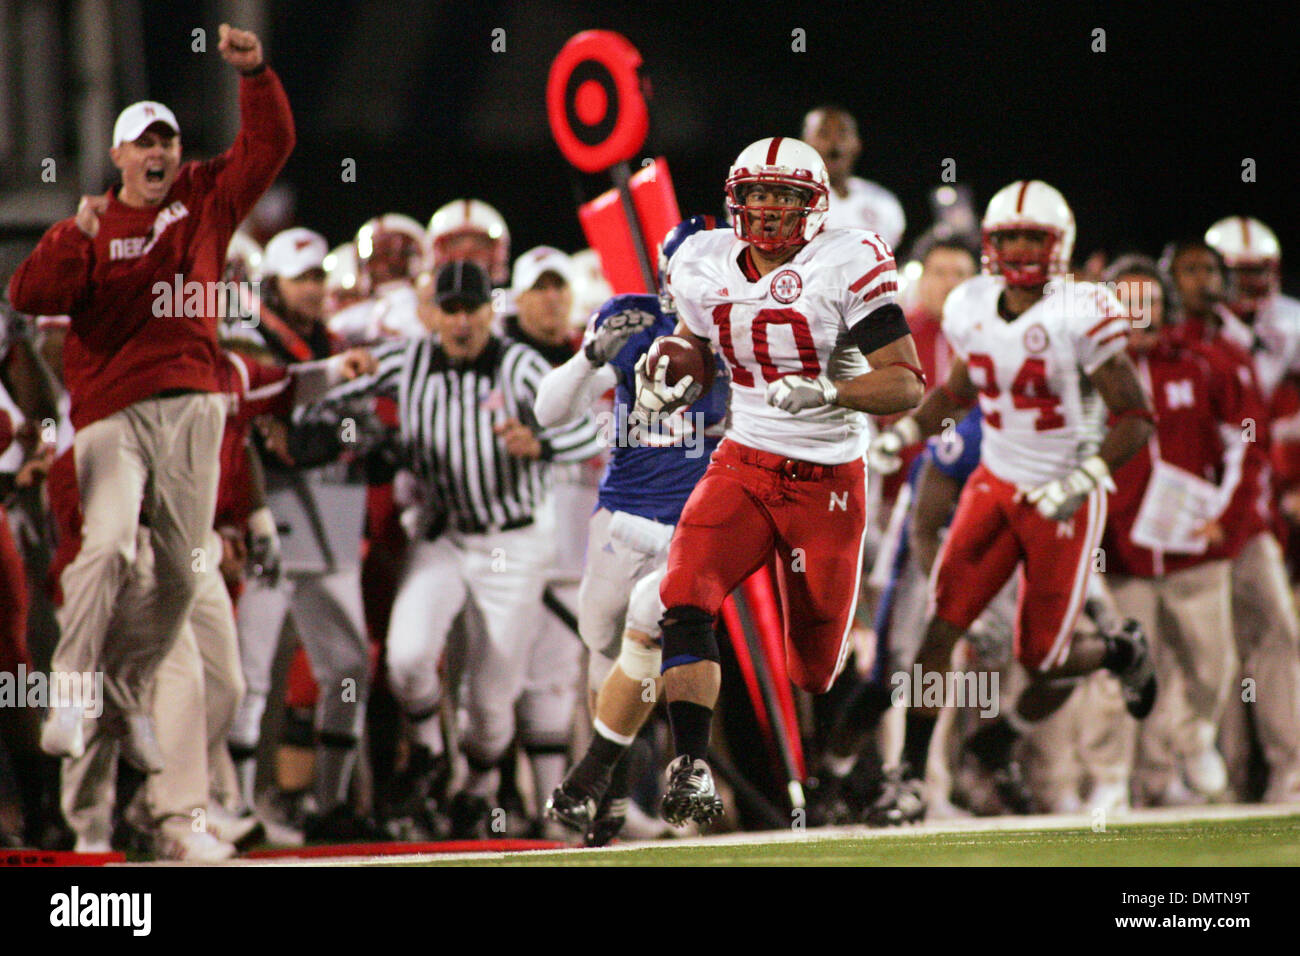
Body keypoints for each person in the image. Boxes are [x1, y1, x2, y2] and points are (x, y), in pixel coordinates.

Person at [6, 24, 294, 765]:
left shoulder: (203, 197)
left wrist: (256, 75)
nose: (160, 152)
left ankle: (122, 696)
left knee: (180, 572)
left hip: (195, 403)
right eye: (145, 142)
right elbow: (26, 292)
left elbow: (271, 148)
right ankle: (71, 695)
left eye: (167, 140)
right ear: (119, 156)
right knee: (103, 547)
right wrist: (73, 235)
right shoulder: (92, 226)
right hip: (112, 414)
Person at [634, 137, 925, 826]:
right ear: (735, 199)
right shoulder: (701, 260)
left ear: (814, 205)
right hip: (746, 458)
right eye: (758, 194)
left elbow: (908, 384)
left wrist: (829, 390)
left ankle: (850, 777)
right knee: (686, 590)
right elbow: (695, 347)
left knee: (814, 669)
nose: (768, 209)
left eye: (786, 196)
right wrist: (666, 377)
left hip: (828, 479)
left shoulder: (847, 261)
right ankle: (691, 766)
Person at [866, 180, 1159, 825]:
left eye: (1036, 237)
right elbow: (956, 390)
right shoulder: (971, 304)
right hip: (995, 484)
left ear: (1060, 245)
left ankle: (1117, 653)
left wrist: (1081, 481)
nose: (1023, 249)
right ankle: (910, 777)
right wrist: (909, 434)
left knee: (1045, 659)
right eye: (1011, 237)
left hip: (1063, 496)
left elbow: (1137, 418)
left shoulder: (1085, 310)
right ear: (991, 245)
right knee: (941, 624)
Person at [316, 260, 604, 837]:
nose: (462, 321)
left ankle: (477, 789)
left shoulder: (518, 365)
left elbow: (587, 429)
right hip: (443, 535)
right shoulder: (407, 359)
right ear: (432, 314)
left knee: (491, 704)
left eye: (471, 308)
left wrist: (539, 442)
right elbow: (333, 392)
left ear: (488, 312)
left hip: (514, 540)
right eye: (449, 309)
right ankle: (427, 752)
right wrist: (355, 419)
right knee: (406, 657)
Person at [536, 216, 729, 844]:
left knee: (654, 652)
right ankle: (614, 798)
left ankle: (611, 787)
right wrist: (591, 353)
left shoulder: (747, 340)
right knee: (603, 655)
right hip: (619, 522)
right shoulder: (633, 322)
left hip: (690, 535)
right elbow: (548, 410)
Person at [1099, 256, 1243, 805]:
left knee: (1212, 662)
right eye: (1131, 303)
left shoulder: (1203, 363)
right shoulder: (1088, 375)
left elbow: (1242, 445)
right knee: (1122, 673)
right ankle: (1112, 777)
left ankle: (1196, 739)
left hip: (1192, 549)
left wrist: (1223, 519)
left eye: (1153, 302)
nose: (1144, 315)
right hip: (1122, 551)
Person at [801, 106, 906, 248]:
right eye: (824, 134)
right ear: (805, 143)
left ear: (857, 144)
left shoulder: (883, 202)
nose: (834, 145)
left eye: (842, 135)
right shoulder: (794, 200)